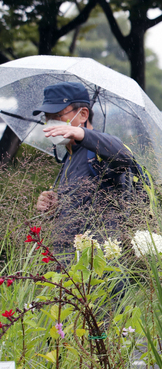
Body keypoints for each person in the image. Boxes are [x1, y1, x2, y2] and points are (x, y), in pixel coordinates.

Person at [34, 82, 139, 255]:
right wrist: (52, 207)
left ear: (83, 114)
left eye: (57, 115)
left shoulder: (98, 151)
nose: (50, 123)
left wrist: (82, 134)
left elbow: (123, 156)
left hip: (100, 265)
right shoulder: (69, 155)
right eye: (47, 116)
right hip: (72, 265)